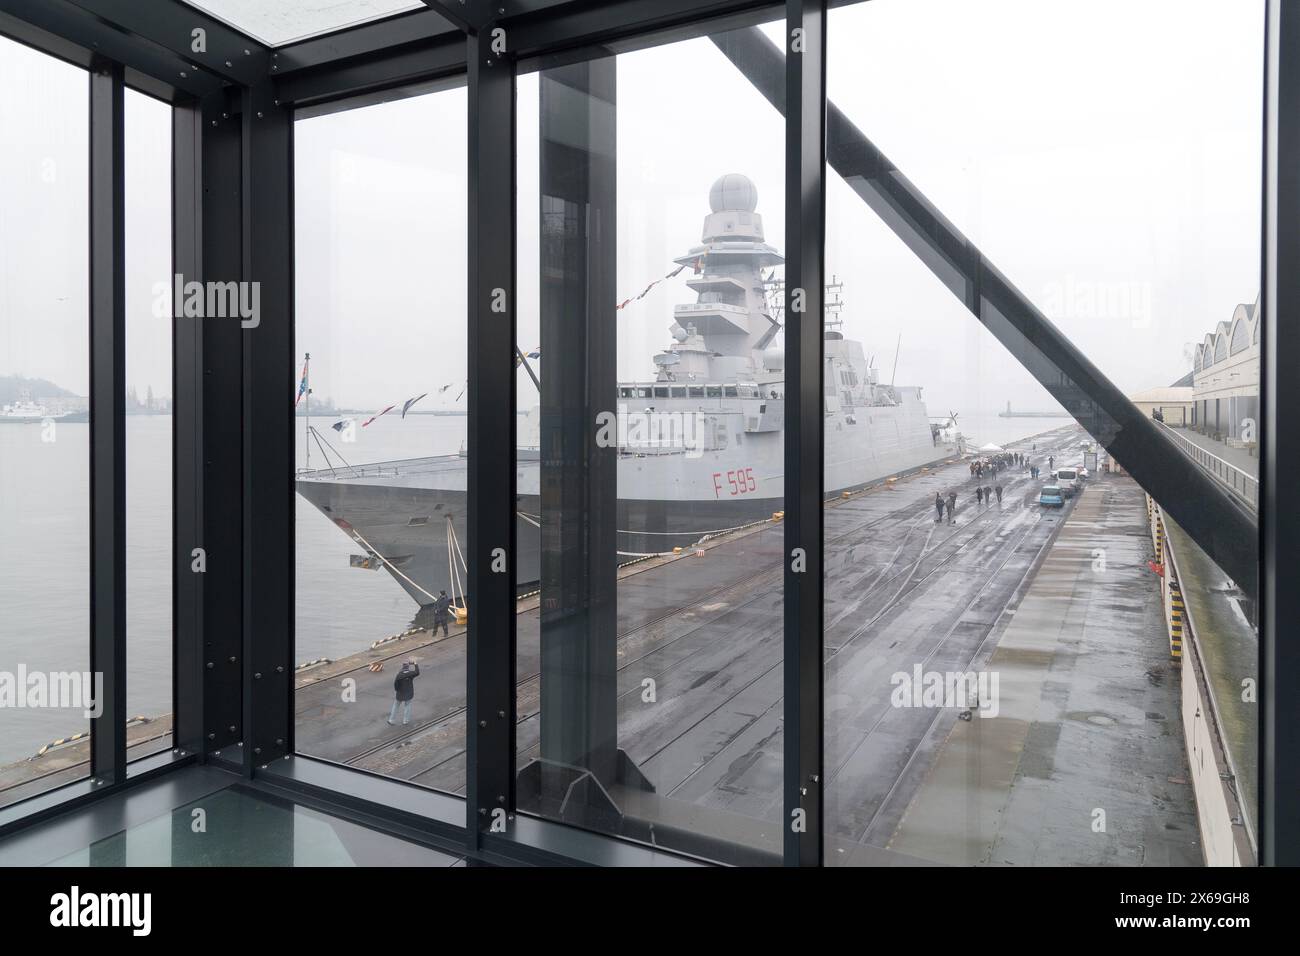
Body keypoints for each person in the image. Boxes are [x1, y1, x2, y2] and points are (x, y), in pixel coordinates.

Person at [388, 658, 420, 726]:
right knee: (407, 706)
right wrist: (415, 664)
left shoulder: (399, 675)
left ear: (402, 667)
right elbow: (417, 672)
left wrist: (398, 690)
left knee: (396, 706)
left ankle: (391, 720)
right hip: (408, 693)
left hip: (400, 693)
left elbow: (395, 684)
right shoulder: (411, 674)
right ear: (408, 667)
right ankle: (405, 720)